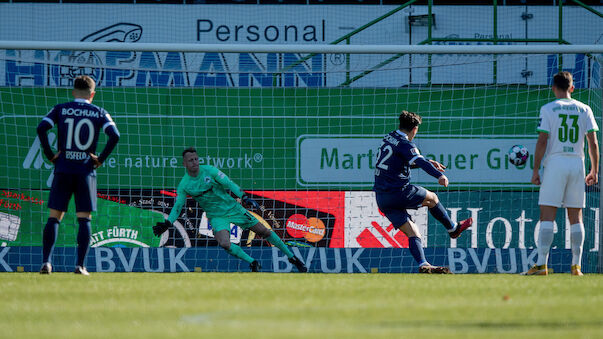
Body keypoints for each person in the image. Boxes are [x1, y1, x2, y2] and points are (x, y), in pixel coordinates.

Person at [153, 147, 307, 273]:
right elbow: (178, 207)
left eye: (196, 159)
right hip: (216, 216)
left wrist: (243, 196)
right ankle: (253, 262)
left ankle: (292, 257)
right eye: (190, 160)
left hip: (233, 209)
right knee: (225, 243)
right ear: (184, 164)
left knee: (264, 232)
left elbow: (229, 183)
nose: (195, 162)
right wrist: (168, 223)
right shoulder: (184, 184)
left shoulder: (210, 171)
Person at [37, 75, 120, 275]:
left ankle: (46, 263)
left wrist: (50, 155)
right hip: (85, 170)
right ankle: (80, 266)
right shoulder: (98, 111)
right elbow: (115, 135)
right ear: (93, 94)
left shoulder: (61, 108)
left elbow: (41, 128)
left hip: (63, 167)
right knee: (84, 219)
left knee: (54, 217)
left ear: (73, 92)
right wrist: (100, 159)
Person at [373, 110, 473, 274]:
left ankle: (423, 264)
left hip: (382, 198)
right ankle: (453, 228)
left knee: (413, 231)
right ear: (414, 129)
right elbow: (417, 159)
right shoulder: (406, 144)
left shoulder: (389, 138)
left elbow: (400, 160)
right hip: (400, 192)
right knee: (432, 198)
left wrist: (427, 161)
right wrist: (439, 175)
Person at [522, 71, 599, 276]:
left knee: (547, 214)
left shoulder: (548, 109)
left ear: (554, 87)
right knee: (576, 217)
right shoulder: (585, 109)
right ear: (572, 88)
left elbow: (542, 141)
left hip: (556, 163)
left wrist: (536, 169)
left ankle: (541, 264)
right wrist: (594, 170)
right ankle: (576, 266)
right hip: (577, 163)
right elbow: (593, 142)